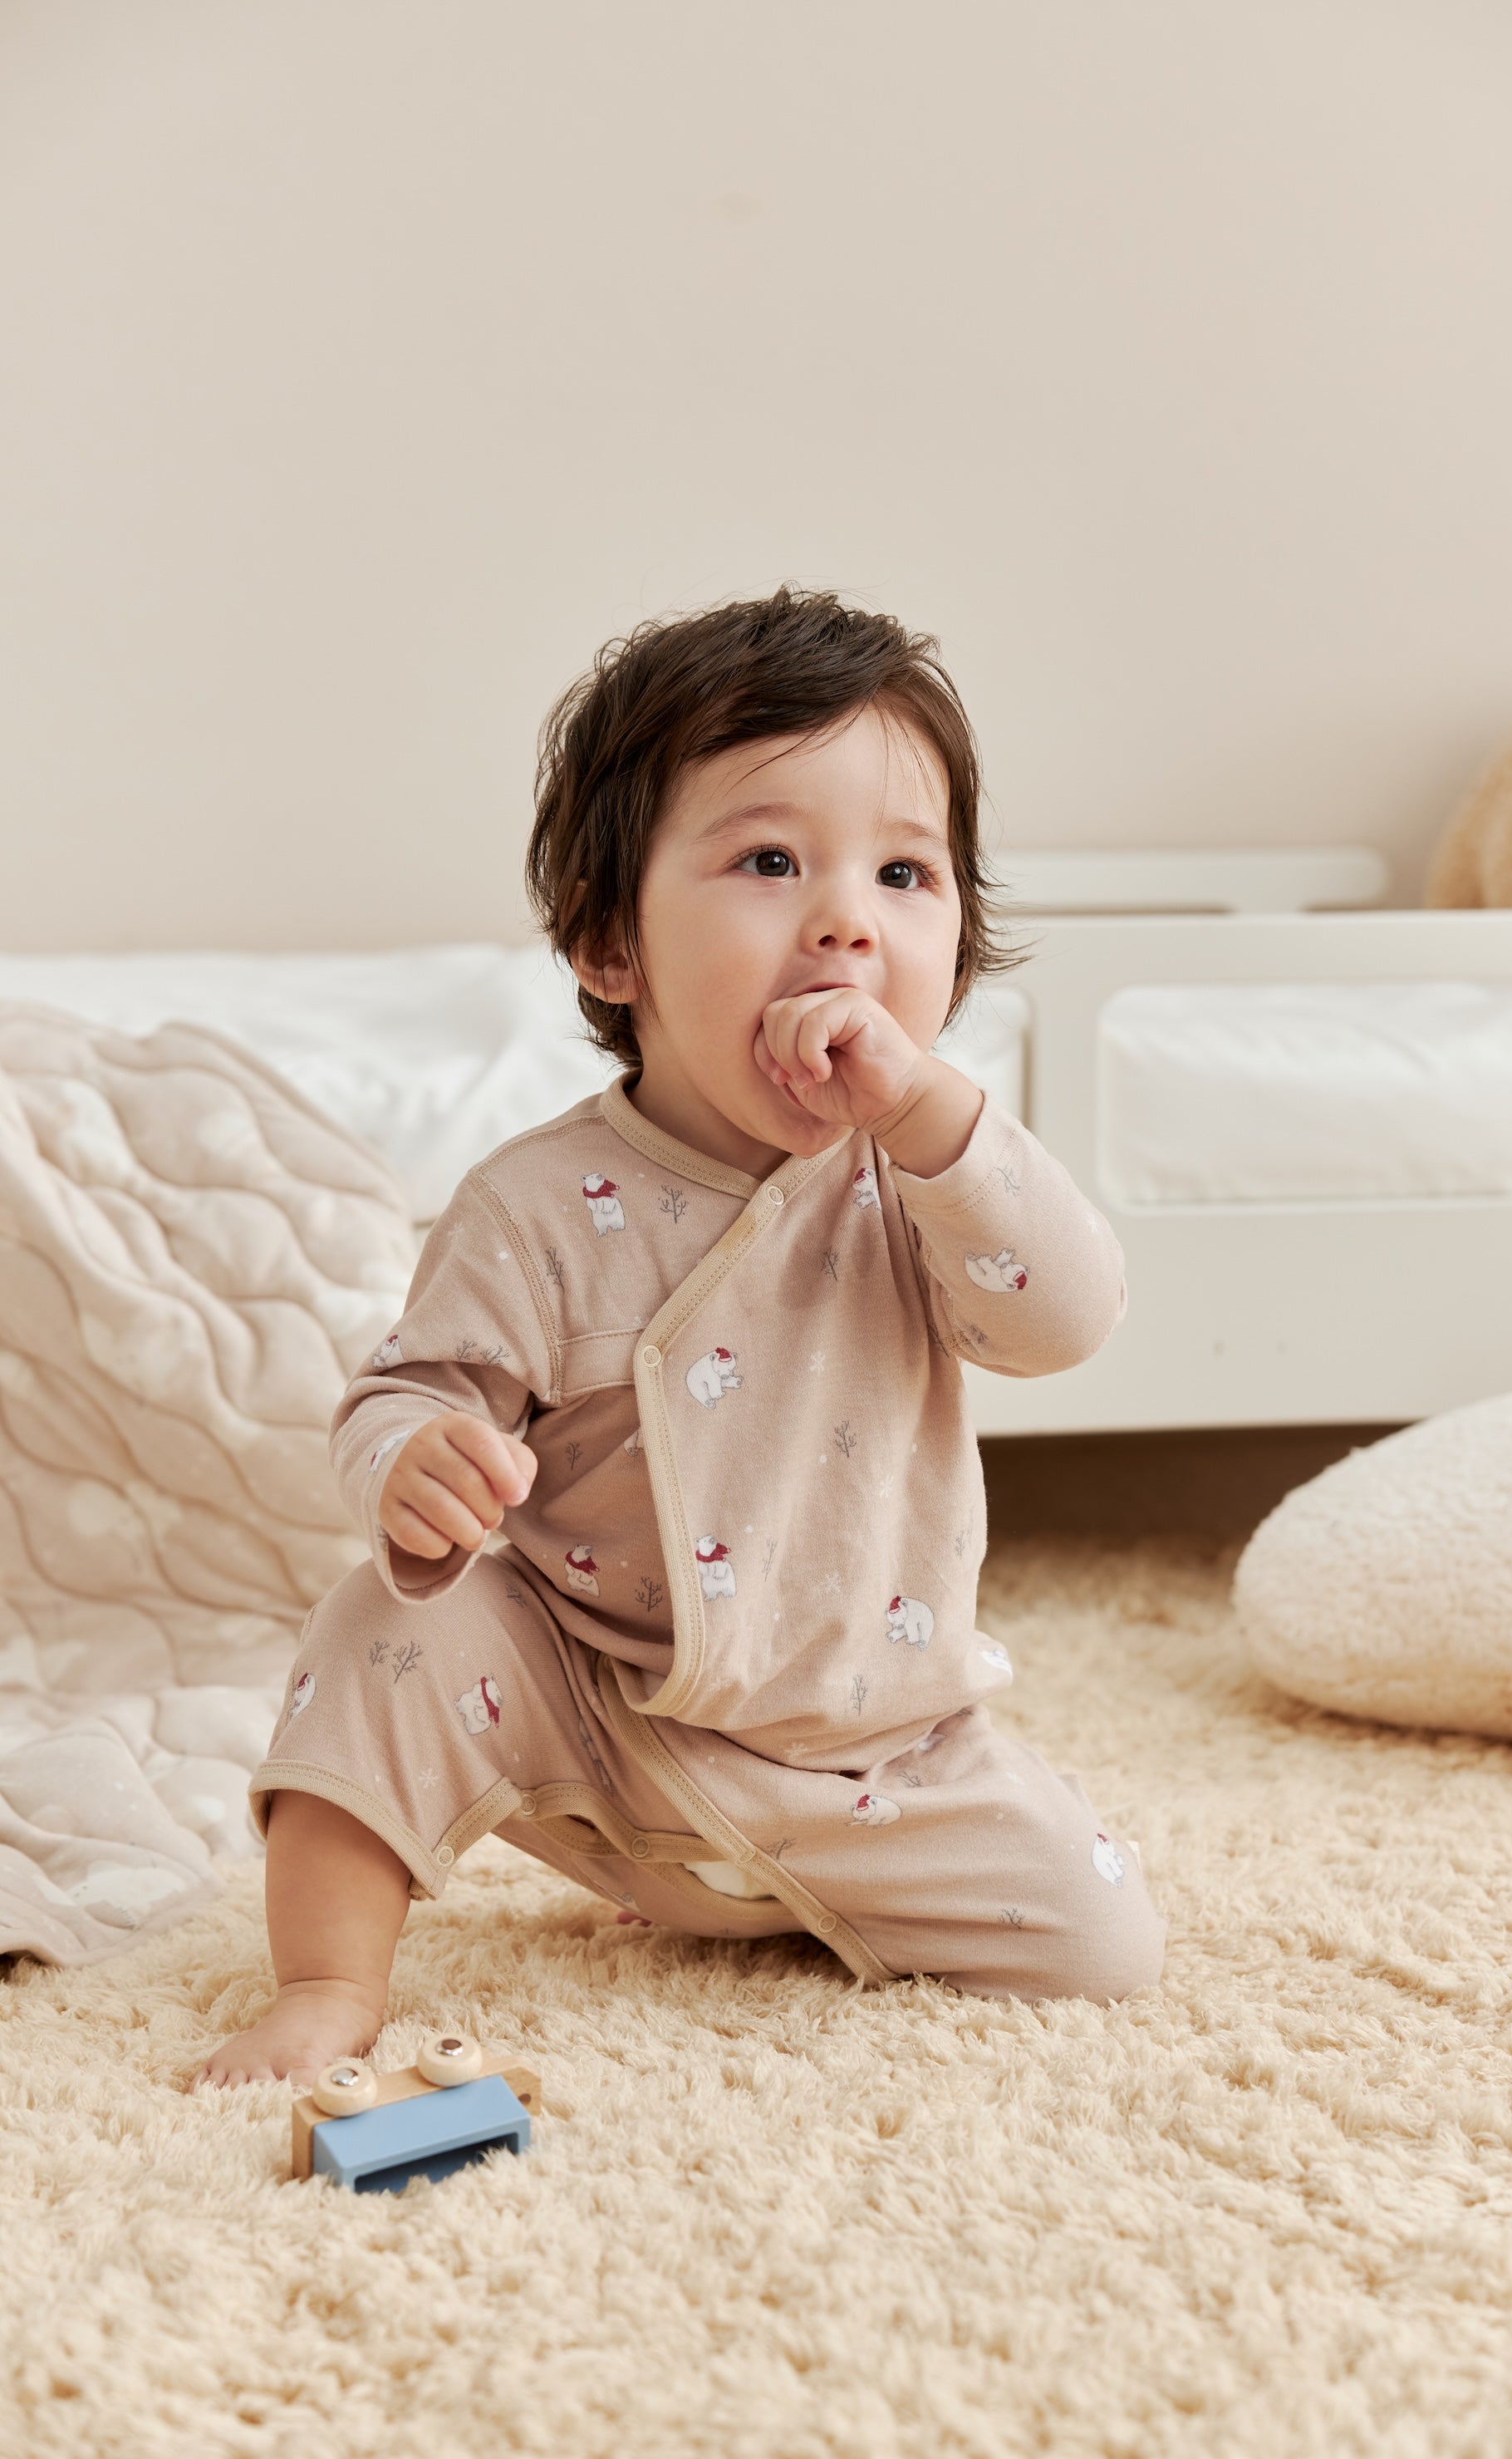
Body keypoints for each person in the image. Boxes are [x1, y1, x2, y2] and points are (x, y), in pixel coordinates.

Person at [194, 588, 1166, 2088]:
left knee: (1104, 1952)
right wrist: (416, 1461)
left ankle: (806, 1891)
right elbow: (409, 1388)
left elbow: (1068, 1315)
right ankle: (326, 1981)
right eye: (770, 860)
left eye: (905, 873)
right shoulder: (531, 1201)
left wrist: (929, 1125)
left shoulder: (926, 1179)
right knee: (384, 1630)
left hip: (875, 1751)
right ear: (608, 947)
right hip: (597, 1713)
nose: (847, 916)